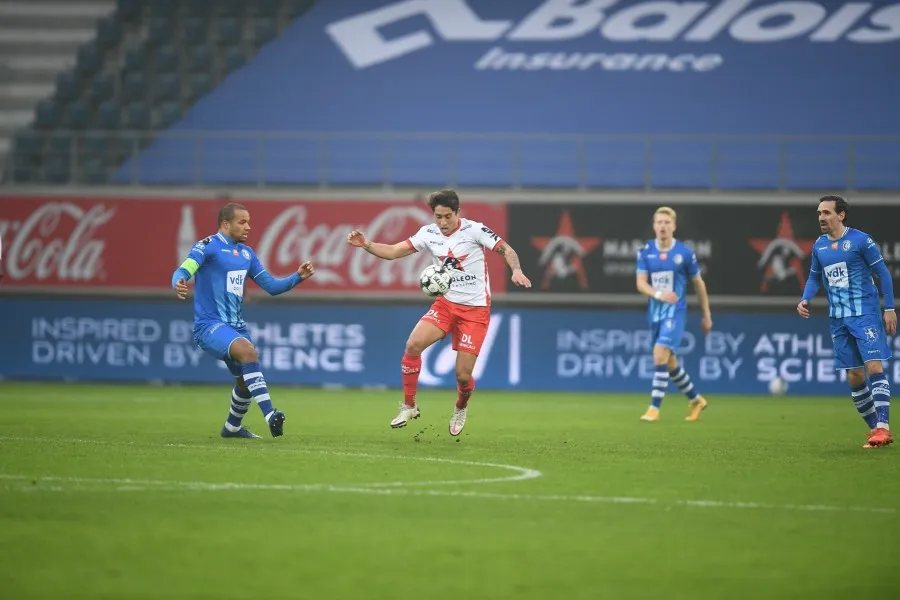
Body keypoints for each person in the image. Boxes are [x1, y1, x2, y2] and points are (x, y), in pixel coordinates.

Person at [346, 189, 531, 436]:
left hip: (475, 311)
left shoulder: (475, 230)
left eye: (447, 216)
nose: (443, 222)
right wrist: (366, 245)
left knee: (463, 376)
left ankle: (460, 407)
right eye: (438, 217)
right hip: (445, 305)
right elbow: (393, 251)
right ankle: (409, 406)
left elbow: (507, 250)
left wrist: (516, 270)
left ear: (457, 213)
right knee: (413, 345)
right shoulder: (428, 233)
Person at [171, 202, 316, 439]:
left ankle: (232, 428)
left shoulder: (247, 254)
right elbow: (186, 268)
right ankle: (270, 415)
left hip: (236, 326)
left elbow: (272, 286)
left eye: (248, 222)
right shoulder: (208, 246)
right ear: (226, 224)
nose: (248, 227)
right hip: (209, 325)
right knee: (248, 352)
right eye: (242, 222)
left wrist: (297, 277)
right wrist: (179, 280)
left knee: (245, 380)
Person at [797, 195, 895, 449]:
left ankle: (883, 427)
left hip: (865, 313)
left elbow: (883, 273)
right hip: (838, 318)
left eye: (827, 213)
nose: (821, 217)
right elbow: (814, 277)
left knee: (873, 366)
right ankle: (875, 430)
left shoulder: (860, 240)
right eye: (819, 213)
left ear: (841, 215)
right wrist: (805, 299)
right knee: (854, 376)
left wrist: (889, 308)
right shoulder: (819, 246)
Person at [635, 206, 713, 422]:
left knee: (659, 353)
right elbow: (640, 283)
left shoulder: (685, 253)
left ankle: (654, 408)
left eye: (667, 222)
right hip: (655, 314)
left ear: (674, 226)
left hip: (675, 313)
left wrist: (706, 314)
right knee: (670, 364)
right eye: (659, 222)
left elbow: (699, 284)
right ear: (654, 226)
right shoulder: (645, 251)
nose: (663, 226)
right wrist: (660, 294)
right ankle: (696, 399)